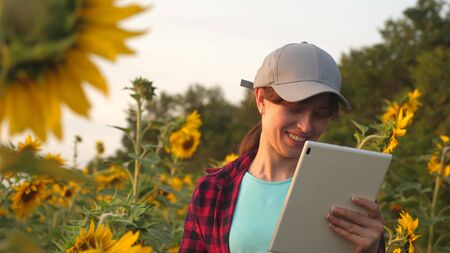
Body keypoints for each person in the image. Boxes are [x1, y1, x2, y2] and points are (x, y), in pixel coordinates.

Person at [179, 42, 385, 253]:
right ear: (261, 100)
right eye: (295, 108)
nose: (306, 126)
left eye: (321, 113)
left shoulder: (348, 192)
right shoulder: (213, 190)